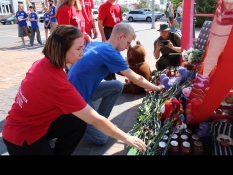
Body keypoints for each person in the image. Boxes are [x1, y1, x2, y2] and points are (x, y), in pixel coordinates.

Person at [2, 25, 146, 155]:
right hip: (23, 137)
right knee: (86, 118)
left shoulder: (44, 63)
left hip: (37, 124)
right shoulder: (57, 83)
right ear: (63, 49)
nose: (82, 53)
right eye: (78, 49)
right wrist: (126, 137)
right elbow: (95, 120)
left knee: (77, 120)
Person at [68, 23, 165, 145]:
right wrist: (156, 88)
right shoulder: (111, 53)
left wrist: (129, 75)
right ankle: (75, 125)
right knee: (101, 138)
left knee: (117, 86)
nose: (127, 47)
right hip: (75, 97)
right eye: (128, 42)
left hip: (84, 89)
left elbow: (119, 68)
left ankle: (99, 121)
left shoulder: (98, 44)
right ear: (120, 36)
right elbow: (138, 80)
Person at [98, 0, 123, 81]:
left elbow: (121, 22)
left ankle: (113, 75)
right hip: (108, 31)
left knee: (115, 55)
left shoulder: (118, 6)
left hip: (118, 31)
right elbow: (100, 22)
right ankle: (108, 77)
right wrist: (103, 37)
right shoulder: (103, 6)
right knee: (108, 55)